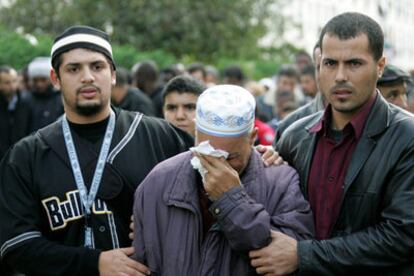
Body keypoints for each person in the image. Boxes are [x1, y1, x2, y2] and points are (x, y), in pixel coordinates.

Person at [0, 25, 195, 276]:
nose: (87, 77)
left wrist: (259, 158)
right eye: (73, 69)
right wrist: (95, 263)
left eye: (97, 66)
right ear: (55, 79)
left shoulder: (161, 137)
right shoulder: (26, 156)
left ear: (112, 74)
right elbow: (16, 245)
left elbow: (212, 199)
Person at [250, 12, 414, 275]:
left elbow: (403, 235)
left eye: (354, 64)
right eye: (329, 64)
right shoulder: (295, 135)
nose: (339, 76)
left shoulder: (407, 137)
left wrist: (304, 255)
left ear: (380, 66)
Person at [133, 85, 314, 275]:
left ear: (252, 137)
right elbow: (145, 261)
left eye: (230, 158)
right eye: (208, 155)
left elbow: (291, 259)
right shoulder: (158, 181)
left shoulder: (281, 182)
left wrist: (231, 200)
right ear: (196, 135)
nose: (219, 168)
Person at [0, 66, 31, 161]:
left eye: (14, 81)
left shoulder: (26, 103)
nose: (12, 86)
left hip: (21, 157)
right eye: (7, 83)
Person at [26, 57, 64, 132]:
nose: (39, 84)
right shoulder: (26, 100)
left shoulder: (61, 98)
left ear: (51, 78)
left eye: (43, 80)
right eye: (36, 80)